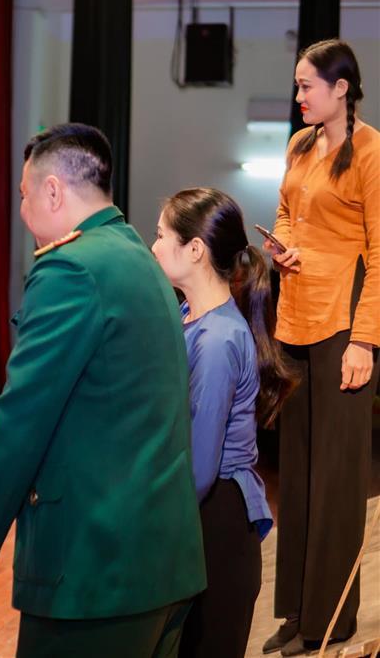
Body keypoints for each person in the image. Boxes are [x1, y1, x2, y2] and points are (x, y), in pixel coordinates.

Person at [0, 124, 206, 657]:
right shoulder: (136, 257)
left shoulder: (71, 270)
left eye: (24, 195)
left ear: (53, 191)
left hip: (96, 573)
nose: (23, 211)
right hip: (162, 565)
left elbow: (20, 421)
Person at [262, 39, 380, 656]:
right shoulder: (299, 145)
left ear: (341, 88)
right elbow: (286, 212)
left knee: (336, 478)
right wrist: (283, 245)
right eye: (297, 84)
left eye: (307, 85)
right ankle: (297, 611)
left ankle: (331, 619)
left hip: (344, 323)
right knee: (300, 472)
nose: (299, 95)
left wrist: (365, 341)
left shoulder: (372, 151)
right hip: (297, 318)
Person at [152, 188, 296, 657]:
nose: (154, 247)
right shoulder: (189, 315)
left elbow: (199, 467)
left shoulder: (217, 339)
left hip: (216, 522)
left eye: (161, 235)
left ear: (195, 249)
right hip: (201, 515)